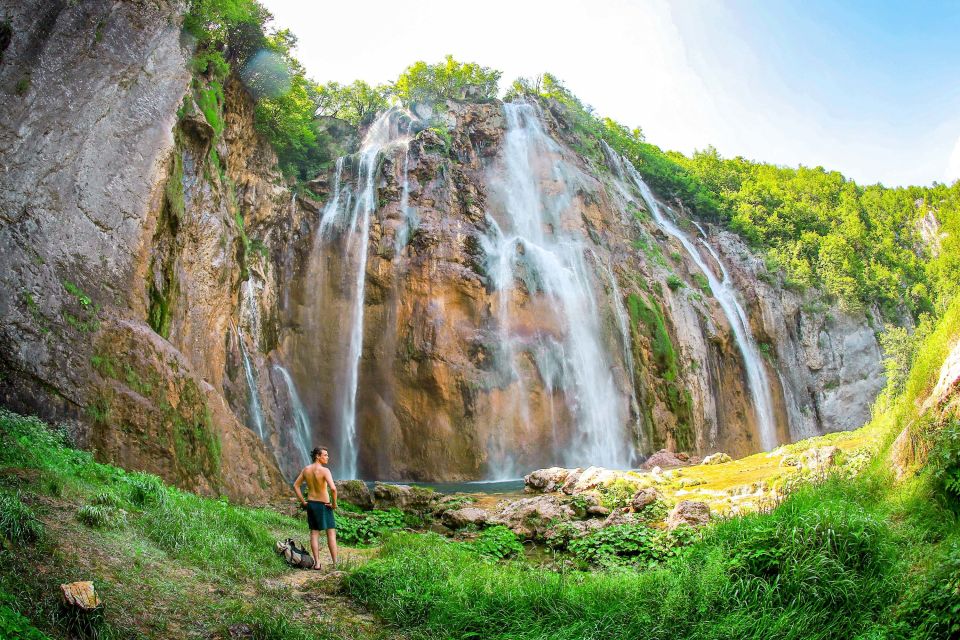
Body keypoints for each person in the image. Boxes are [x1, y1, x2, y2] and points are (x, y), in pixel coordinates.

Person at [293, 447, 338, 569]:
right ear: (318, 456)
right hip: (324, 505)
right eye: (325, 455)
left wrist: (304, 502)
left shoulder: (306, 470)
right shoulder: (325, 471)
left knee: (314, 533)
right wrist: (334, 504)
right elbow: (333, 489)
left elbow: (296, 486)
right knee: (331, 533)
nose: (327, 457)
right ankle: (335, 564)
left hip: (312, 503)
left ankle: (317, 563)